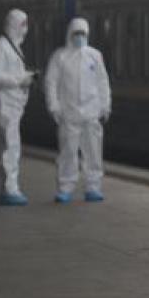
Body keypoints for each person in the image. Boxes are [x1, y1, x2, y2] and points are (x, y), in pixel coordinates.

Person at [44, 17, 112, 203]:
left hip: (92, 112)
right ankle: (65, 187)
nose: (79, 37)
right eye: (76, 33)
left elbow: (102, 82)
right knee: (68, 152)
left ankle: (93, 187)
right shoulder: (60, 57)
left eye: (82, 33)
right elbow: (51, 83)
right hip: (69, 113)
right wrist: (54, 106)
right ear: (69, 34)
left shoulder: (95, 56)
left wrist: (105, 105)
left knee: (93, 152)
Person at [0, 9, 35, 206]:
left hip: (11, 102)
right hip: (3, 102)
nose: (25, 29)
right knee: (9, 146)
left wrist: (26, 77)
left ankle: (4, 188)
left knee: (6, 145)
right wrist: (19, 79)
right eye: (23, 25)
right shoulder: (0, 47)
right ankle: (8, 189)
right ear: (14, 25)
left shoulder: (12, 46)